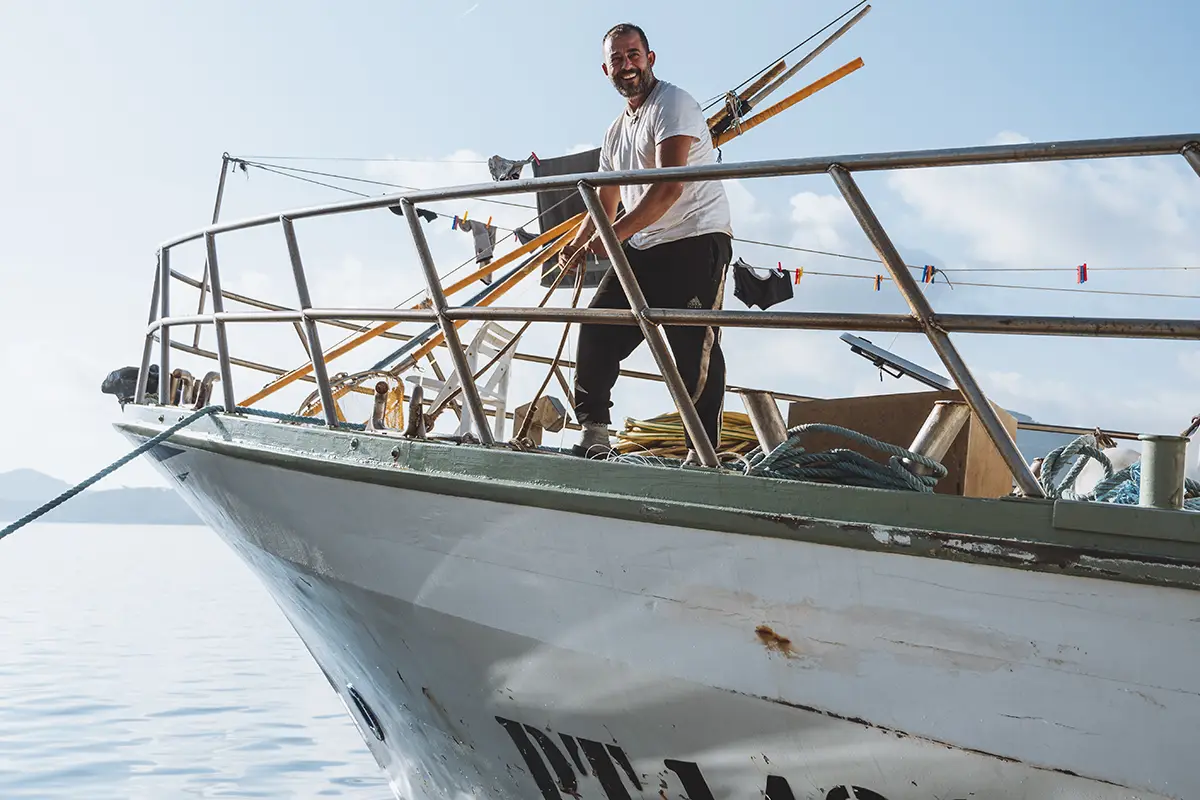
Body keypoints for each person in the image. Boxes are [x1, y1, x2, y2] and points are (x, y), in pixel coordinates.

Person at [559, 22, 733, 459]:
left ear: (650, 58)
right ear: (606, 70)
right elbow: (606, 197)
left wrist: (613, 237)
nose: (627, 64)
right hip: (642, 242)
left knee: (692, 347)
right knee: (598, 326)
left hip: (694, 236)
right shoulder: (615, 131)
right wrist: (580, 242)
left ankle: (703, 452)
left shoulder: (672, 104)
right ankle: (594, 434)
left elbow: (668, 187)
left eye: (633, 54)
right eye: (617, 59)